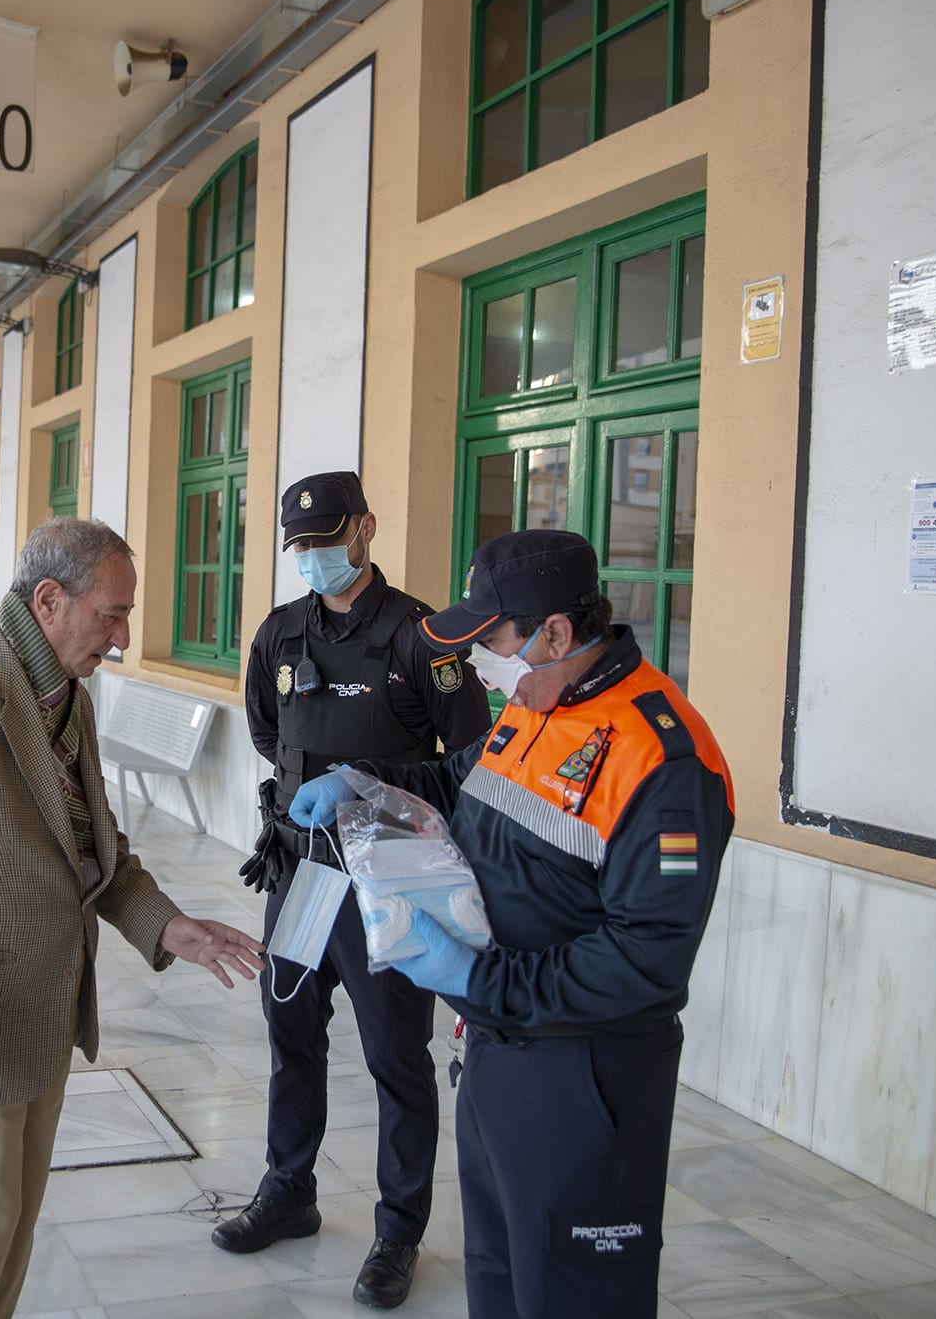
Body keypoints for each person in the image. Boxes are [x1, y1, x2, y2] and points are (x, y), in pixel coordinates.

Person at [289, 529, 734, 1319]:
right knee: (497, 1275)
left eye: (494, 642)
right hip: (496, 1053)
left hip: (584, 1075)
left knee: (571, 1291)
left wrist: (471, 976)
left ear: (556, 633)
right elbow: (455, 784)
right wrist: (362, 783)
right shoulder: (536, 706)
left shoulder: (663, 760)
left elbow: (648, 959)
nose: (485, 665)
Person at [0, 516, 266, 1319]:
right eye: (111, 613)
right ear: (48, 599)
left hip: (39, 1030)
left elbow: (89, 847)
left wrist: (167, 925)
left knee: (2, 1259)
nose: (125, 635)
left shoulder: (66, 696)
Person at [216, 471, 490, 1309]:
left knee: (393, 1055)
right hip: (303, 872)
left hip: (391, 881)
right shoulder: (281, 631)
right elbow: (269, 730)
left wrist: (367, 780)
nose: (313, 557)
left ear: (366, 528)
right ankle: (288, 1188)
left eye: (327, 540)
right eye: (300, 546)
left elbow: (476, 760)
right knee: (290, 1026)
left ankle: (398, 1231)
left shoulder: (419, 638)